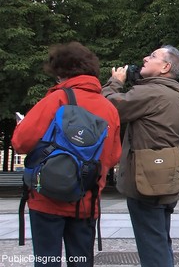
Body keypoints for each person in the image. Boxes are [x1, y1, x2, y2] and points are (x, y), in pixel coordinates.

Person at [12, 42, 122, 267]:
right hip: (86, 199)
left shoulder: (56, 99)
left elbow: (20, 142)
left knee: (47, 259)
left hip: (47, 196)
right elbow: (113, 156)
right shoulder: (109, 108)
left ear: (61, 72)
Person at [102, 45, 179, 267]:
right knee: (160, 241)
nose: (145, 58)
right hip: (166, 177)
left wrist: (115, 82)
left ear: (165, 67)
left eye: (152, 56)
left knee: (152, 247)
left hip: (146, 179)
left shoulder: (151, 92)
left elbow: (108, 107)